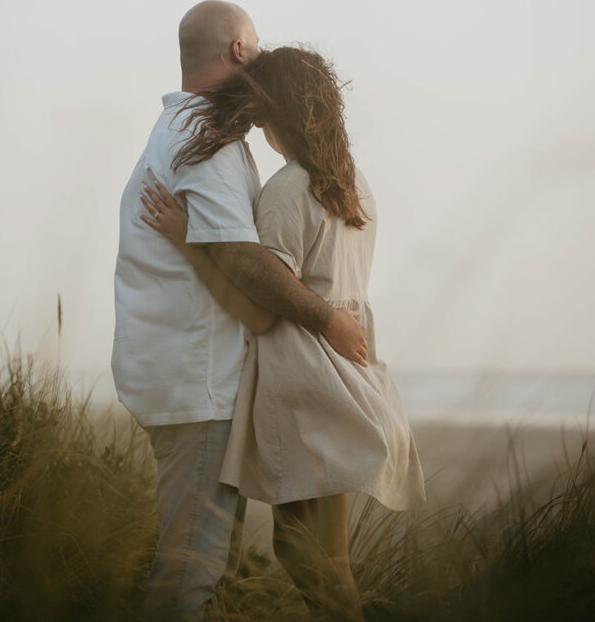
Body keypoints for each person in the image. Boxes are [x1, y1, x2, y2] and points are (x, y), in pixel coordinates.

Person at [141, 45, 426, 621]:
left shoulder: (287, 190)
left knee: (307, 553)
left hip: (307, 374)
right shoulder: (353, 181)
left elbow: (262, 300)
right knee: (323, 555)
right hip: (350, 372)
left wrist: (188, 237)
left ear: (274, 116)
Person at [112, 2, 368, 622]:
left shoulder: (193, 132)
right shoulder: (207, 143)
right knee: (190, 575)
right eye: (257, 46)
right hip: (200, 386)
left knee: (211, 567)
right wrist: (327, 319)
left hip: (189, 378)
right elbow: (248, 266)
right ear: (238, 51)